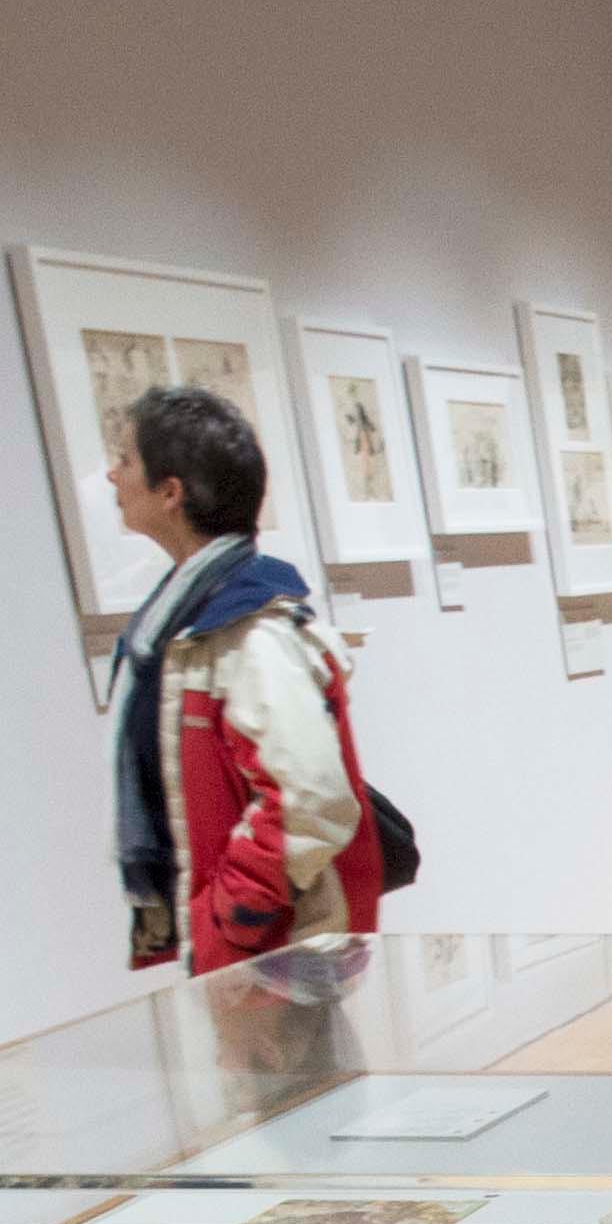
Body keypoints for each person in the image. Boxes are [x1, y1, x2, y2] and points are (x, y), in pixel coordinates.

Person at [105, 383, 378, 975]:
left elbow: (310, 800)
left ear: (171, 492)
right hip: (250, 949)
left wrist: (231, 916)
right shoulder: (186, 626)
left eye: (125, 460)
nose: (111, 475)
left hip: (272, 952)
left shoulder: (251, 633)